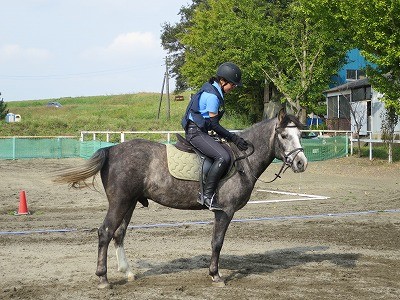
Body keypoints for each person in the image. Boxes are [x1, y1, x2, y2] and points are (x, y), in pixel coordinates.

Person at [181, 62, 249, 211]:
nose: (234, 88)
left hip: (200, 131)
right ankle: (207, 195)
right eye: (233, 85)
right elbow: (214, 125)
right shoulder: (212, 96)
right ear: (223, 81)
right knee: (223, 157)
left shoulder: (213, 90)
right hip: (196, 132)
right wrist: (233, 138)